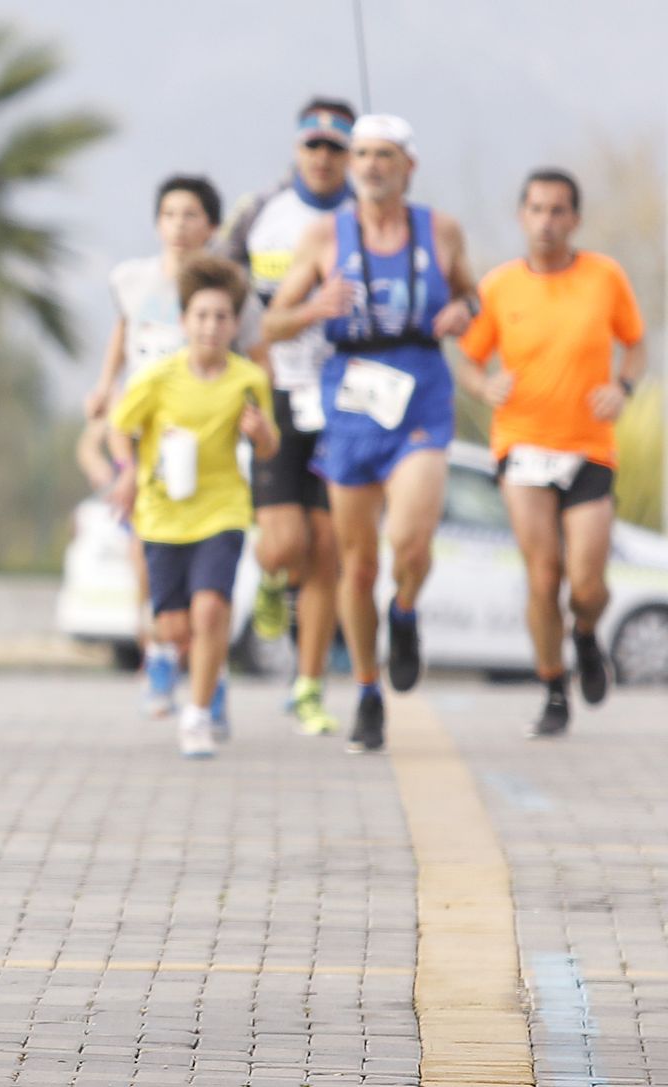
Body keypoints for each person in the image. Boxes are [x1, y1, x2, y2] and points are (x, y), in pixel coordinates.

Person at [265, 115, 479, 753]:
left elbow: (476, 296)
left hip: (420, 388)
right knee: (356, 567)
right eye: (361, 154)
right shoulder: (324, 236)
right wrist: (312, 308)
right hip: (353, 395)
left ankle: (406, 611)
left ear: (409, 165)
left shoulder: (438, 229)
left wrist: (461, 310)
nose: (370, 165)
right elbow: (273, 325)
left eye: (384, 154)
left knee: (409, 542)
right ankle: (365, 689)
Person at [458, 168, 646, 738]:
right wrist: (482, 385)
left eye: (558, 210)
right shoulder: (498, 286)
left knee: (587, 584)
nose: (546, 221)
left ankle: (586, 636)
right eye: (536, 209)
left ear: (575, 219)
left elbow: (634, 344)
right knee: (543, 575)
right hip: (521, 445)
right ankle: (552, 685)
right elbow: (468, 357)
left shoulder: (604, 277)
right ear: (522, 216)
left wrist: (623, 387)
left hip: (588, 445)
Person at [84, 175, 264, 717]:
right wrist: (103, 384)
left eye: (191, 216)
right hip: (149, 427)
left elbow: (254, 352)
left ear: (212, 227)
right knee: (146, 546)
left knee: (209, 573)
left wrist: (253, 416)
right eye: (170, 214)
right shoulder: (133, 279)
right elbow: (122, 331)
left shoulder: (229, 288)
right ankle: (161, 646)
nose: (179, 226)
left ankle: (209, 669)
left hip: (209, 429)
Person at [107, 255, 278, 758]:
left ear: (234, 325)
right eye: (201, 316)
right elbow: (121, 429)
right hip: (162, 514)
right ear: (183, 322)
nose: (210, 326)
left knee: (211, 610)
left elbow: (268, 446)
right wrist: (128, 476)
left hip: (221, 511)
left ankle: (198, 716)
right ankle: (203, 668)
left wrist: (261, 434)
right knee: (175, 626)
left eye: (221, 317)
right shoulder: (157, 378)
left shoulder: (248, 379)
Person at [222, 97, 356, 736]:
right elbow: (221, 295)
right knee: (285, 545)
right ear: (297, 148)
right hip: (274, 392)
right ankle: (274, 581)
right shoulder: (261, 213)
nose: (324, 157)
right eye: (314, 144)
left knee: (328, 549)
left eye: (337, 146)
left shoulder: (369, 220)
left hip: (345, 399)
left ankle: (308, 687)